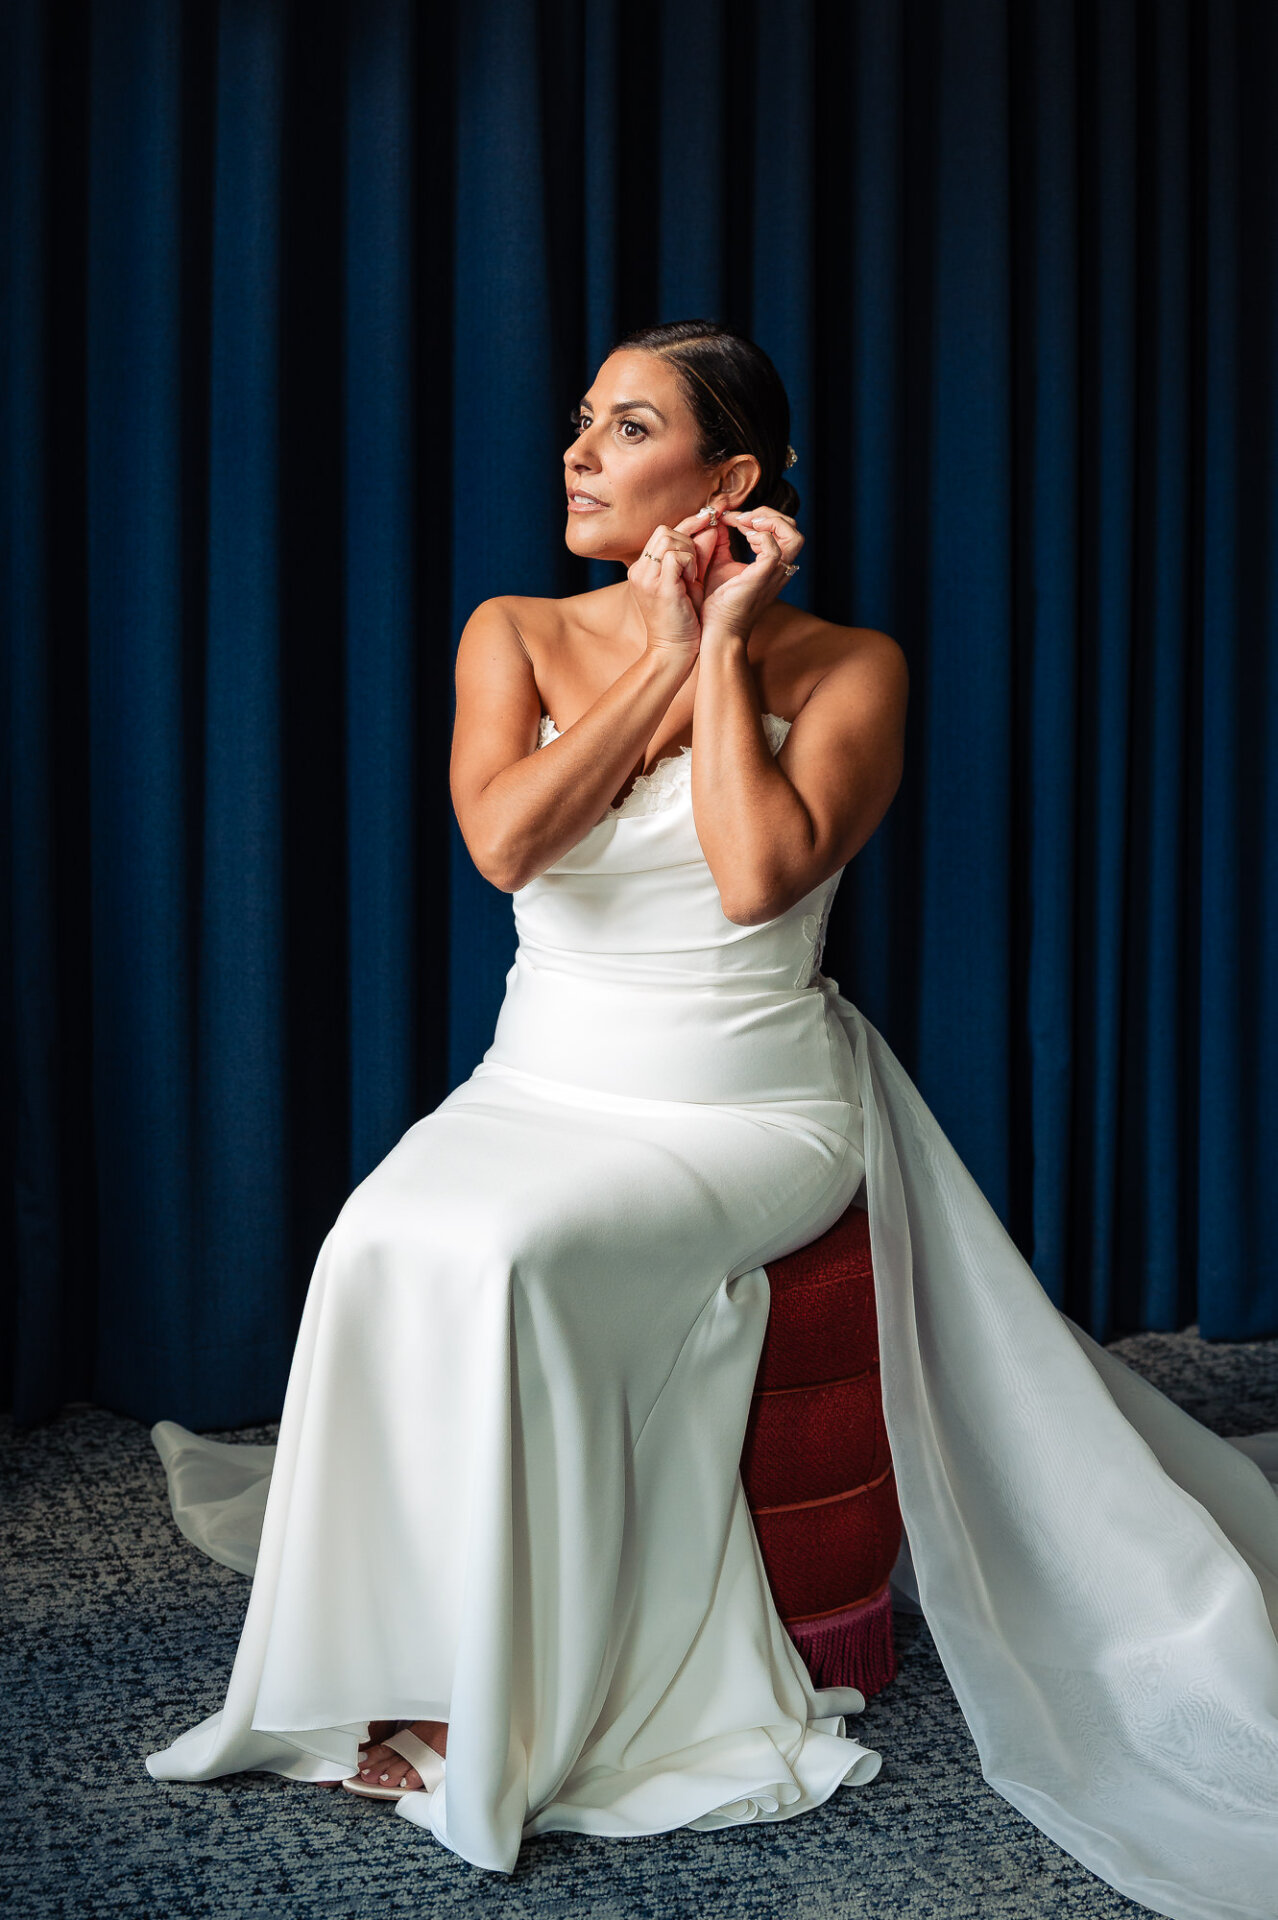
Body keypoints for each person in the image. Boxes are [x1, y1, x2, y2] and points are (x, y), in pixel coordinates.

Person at [146, 322, 1278, 1920]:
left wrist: (728, 642)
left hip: (746, 1107)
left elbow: (756, 882)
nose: (577, 453)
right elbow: (509, 844)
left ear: (728, 479)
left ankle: (509, 1698)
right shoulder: (516, 633)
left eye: (625, 427)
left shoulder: (847, 667)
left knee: (518, 1257)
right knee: (387, 1236)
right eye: (579, 423)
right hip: (539, 1083)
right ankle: (397, 1659)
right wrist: (661, 662)